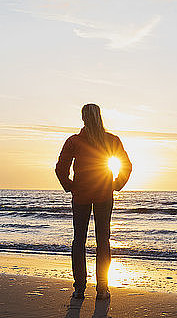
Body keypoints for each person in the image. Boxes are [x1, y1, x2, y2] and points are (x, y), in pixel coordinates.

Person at [55, 103, 132, 300]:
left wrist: (70, 185)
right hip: (103, 194)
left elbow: (61, 168)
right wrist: (116, 184)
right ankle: (102, 288)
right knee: (102, 241)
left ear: (83, 119)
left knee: (79, 240)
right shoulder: (110, 140)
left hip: (83, 195)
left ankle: (80, 288)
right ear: (100, 117)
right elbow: (126, 166)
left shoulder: (74, 141)